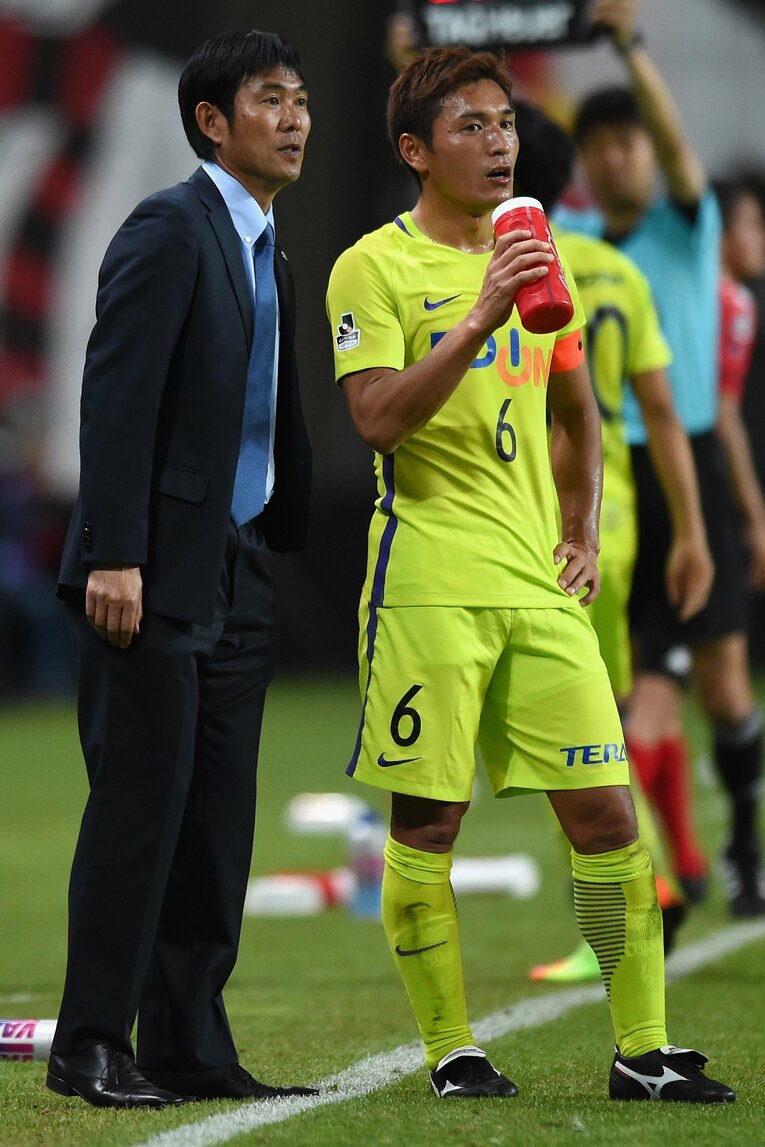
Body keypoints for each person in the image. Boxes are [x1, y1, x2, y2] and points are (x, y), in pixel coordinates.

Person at [326, 45, 733, 1103]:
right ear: (417, 149)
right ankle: (452, 1049)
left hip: (539, 583)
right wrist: (475, 318)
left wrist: (586, 523)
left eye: (505, 122)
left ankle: (641, 1052)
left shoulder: (534, 247)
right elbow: (375, 417)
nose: (500, 141)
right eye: (471, 125)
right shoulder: (374, 266)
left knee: (608, 816)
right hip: (427, 580)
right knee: (430, 824)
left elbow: (577, 407)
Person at [47, 30, 315, 1109]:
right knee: (139, 808)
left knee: (218, 819)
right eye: (271, 99)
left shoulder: (269, 248)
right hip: (148, 572)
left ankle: (190, 1042)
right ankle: (89, 1042)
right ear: (212, 120)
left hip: (238, 565)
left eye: (303, 100)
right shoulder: (170, 227)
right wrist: (116, 551)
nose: (296, 117)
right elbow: (114, 401)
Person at [556, 0, 765, 917]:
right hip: (604, 481)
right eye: (598, 146)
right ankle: (657, 877)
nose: (614, 157)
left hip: (687, 477)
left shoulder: (687, 226)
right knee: (631, 691)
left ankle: (741, 842)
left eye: (627, 143)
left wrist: (628, 49)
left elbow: (682, 153)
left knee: (722, 687)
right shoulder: (579, 244)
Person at [507, 100, 713, 983]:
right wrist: (694, 529)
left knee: (570, 734)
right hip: (618, 515)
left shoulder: (509, 269)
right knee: (610, 719)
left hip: (547, 518)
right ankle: (663, 878)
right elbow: (661, 409)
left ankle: (646, 897)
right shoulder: (620, 272)